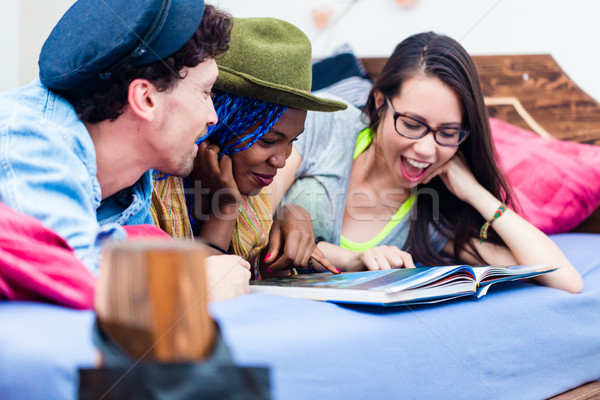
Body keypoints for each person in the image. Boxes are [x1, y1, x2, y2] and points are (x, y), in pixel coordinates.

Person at [271, 31, 582, 293]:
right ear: (380, 103)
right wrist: (289, 215)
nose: (426, 150)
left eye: (447, 132)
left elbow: (563, 278)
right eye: (412, 123)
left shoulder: (430, 219)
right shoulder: (327, 124)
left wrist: (476, 193)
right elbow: (253, 222)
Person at [0, 0, 250, 300]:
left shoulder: (131, 178)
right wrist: (193, 285)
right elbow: (76, 288)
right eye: (206, 92)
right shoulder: (28, 141)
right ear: (144, 99)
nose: (213, 117)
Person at [151, 17, 347, 279]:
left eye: (293, 142)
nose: (281, 160)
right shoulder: (151, 191)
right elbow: (197, 292)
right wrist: (225, 210)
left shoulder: (252, 197)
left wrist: (288, 225)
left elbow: (252, 278)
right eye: (267, 141)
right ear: (217, 122)